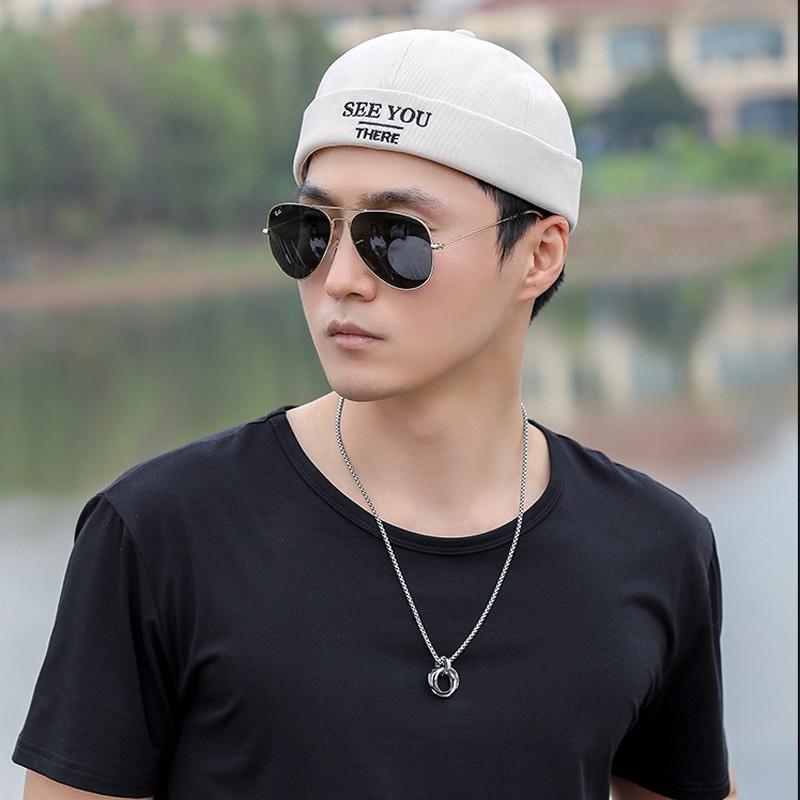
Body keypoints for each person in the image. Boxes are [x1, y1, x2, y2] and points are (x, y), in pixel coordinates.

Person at [11, 28, 738, 800]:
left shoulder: (655, 547)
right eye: (310, 232)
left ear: (539, 254)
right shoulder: (162, 534)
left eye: (396, 237)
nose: (341, 279)